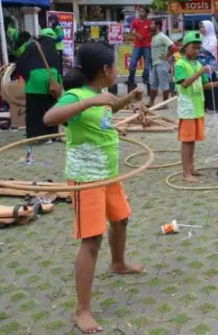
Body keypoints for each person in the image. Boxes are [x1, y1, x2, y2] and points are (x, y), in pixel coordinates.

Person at [43, 41, 145, 334]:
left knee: (122, 219)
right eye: (115, 64)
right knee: (91, 241)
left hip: (108, 175)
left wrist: (128, 100)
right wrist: (89, 102)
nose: (118, 69)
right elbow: (50, 118)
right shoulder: (77, 96)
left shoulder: (101, 94)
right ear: (105, 70)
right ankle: (82, 310)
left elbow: (106, 112)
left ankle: (118, 263)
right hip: (87, 179)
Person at [174, 32, 218, 183]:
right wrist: (201, 72)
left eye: (198, 48)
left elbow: (204, 85)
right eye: (193, 48)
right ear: (185, 48)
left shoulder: (197, 64)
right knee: (187, 141)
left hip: (198, 107)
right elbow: (184, 83)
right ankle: (186, 173)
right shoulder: (180, 64)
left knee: (193, 140)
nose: (197, 51)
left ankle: (191, 168)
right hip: (187, 108)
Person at [16, 28, 63, 147]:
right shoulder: (54, 49)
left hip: (35, 81)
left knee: (34, 109)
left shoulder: (32, 46)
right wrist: (58, 83)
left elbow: (20, 62)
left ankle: (38, 137)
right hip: (51, 80)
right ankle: (52, 135)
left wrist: (28, 76)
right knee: (51, 108)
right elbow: (59, 68)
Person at [122, 6, 152, 94]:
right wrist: (137, 35)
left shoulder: (149, 22)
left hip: (146, 46)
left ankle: (145, 79)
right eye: (140, 11)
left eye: (142, 11)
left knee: (147, 65)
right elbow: (131, 31)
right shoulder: (135, 21)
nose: (140, 13)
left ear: (146, 13)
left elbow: (153, 31)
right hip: (137, 46)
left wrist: (147, 36)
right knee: (132, 63)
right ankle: (131, 79)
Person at [199, 20, 218, 112]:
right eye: (200, 27)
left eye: (203, 27)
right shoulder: (201, 37)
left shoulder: (213, 38)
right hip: (201, 65)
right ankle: (204, 106)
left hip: (210, 65)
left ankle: (214, 106)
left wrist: (197, 47)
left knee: (211, 85)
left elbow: (208, 49)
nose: (201, 29)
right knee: (203, 85)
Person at [149, 19, 174, 107]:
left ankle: (165, 104)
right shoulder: (154, 36)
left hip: (162, 63)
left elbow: (171, 46)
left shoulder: (162, 36)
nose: (150, 26)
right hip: (155, 63)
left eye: (152, 24)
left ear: (158, 26)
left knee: (164, 84)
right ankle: (151, 102)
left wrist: (167, 56)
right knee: (153, 84)